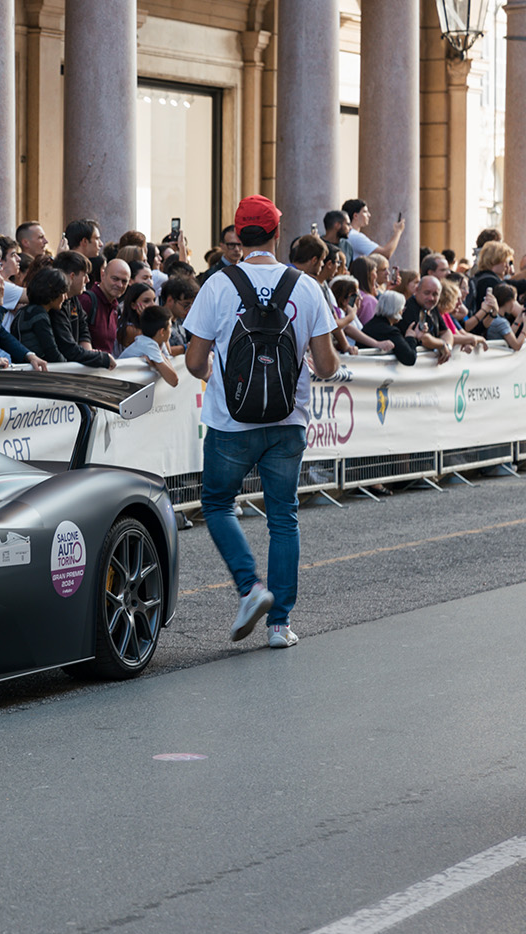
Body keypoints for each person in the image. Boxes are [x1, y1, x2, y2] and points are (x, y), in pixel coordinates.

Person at [183, 194, 338, 650]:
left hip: (231, 422)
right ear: (275, 233)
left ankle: (251, 587)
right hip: (289, 421)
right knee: (283, 517)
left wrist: (213, 375)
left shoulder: (217, 284)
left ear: (237, 234)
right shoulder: (306, 286)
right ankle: (279, 626)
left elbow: (194, 360)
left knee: (216, 504)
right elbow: (327, 366)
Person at [12, 267, 69, 364]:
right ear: (53, 292)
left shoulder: (23, 311)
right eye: (62, 292)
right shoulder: (39, 315)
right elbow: (51, 351)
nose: (65, 297)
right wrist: (69, 367)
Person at [78, 258, 130, 355]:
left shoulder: (116, 308)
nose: (119, 285)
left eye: (124, 281)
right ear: (103, 275)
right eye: (115, 279)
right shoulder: (86, 301)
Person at [120, 304, 179, 386]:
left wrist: (157, 362)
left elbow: (170, 365)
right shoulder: (147, 344)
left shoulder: (159, 341)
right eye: (170, 327)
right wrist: (159, 363)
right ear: (162, 332)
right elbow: (173, 381)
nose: (171, 331)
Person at [362, 289, 418, 366]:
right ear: (397, 310)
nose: (403, 312)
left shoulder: (370, 324)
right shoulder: (390, 331)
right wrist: (410, 337)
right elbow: (410, 358)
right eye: (402, 309)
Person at [340, 199, 405, 261]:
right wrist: (398, 232)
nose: (369, 215)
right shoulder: (355, 236)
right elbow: (384, 254)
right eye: (365, 212)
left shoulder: (350, 235)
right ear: (355, 216)